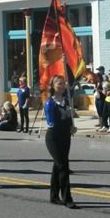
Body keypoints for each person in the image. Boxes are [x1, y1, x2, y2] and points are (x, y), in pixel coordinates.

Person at [44, 75, 78, 209]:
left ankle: (53, 196)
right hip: (53, 137)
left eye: (63, 83)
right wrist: (64, 118)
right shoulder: (50, 103)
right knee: (63, 166)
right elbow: (51, 122)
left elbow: (69, 119)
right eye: (59, 83)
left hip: (65, 136)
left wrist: (72, 126)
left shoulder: (67, 100)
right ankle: (67, 198)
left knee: (57, 166)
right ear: (53, 86)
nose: (62, 86)